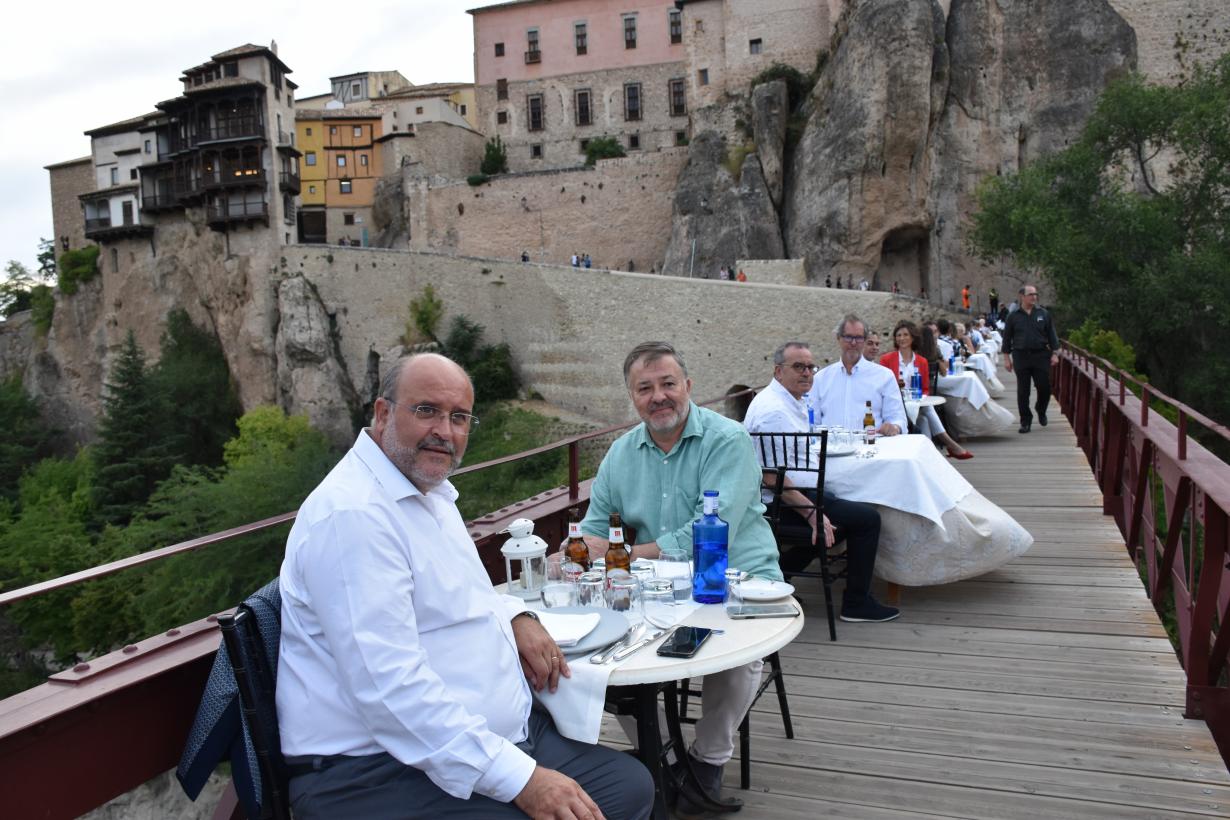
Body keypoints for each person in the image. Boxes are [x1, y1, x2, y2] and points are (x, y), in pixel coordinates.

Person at [277, 353, 653, 819]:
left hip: (477, 739)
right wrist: (522, 780)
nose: (445, 430)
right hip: (376, 768)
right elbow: (389, 689)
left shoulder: (427, 492)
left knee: (630, 786)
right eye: (426, 410)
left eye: (459, 418)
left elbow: (470, 594)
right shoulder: (353, 516)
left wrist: (516, 617)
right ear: (382, 414)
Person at [579, 342, 780, 816]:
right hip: (658, 587)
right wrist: (575, 550)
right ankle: (667, 758)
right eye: (644, 388)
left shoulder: (727, 439)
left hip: (738, 575)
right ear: (632, 398)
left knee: (736, 655)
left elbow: (709, 530)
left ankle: (707, 760)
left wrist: (624, 551)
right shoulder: (621, 453)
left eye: (668, 384)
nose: (658, 397)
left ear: (688, 386)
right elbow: (591, 529)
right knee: (608, 665)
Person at [743, 342, 900, 623]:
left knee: (844, 512)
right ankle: (856, 603)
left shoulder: (789, 401)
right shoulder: (773, 412)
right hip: (779, 504)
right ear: (778, 371)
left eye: (810, 367)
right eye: (798, 367)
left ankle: (777, 580)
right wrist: (813, 514)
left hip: (796, 494)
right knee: (867, 519)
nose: (807, 373)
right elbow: (770, 477)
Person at [882, 322, 971, 459]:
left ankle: (930, 455)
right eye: (898, 335)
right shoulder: (887, 359)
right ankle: (948, 444)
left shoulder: (921, 361)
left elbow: (924, 388)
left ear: (913, 338)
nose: (902, 338)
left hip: (915, 401)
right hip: (895, 402)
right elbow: (882, 386)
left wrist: (919, 397)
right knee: (927, 412)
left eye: (906, 334)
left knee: (924, 417)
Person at [809, 314, 906, 436]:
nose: (853, 343)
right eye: (848, 337)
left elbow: (897, 417)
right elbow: (813, 422)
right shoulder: (821, 378)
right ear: (838, 338)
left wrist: (894, 427)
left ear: (865, 340)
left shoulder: (884, 376)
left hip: (873, 448)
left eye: (859, 338)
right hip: (832, 450)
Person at [1002, 284, 1059, 434]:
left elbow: (1052, 335)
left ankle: (1041, 409)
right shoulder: (1013, 316)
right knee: (1023, 390)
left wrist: (1055, 353)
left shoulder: (1043, 314)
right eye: (1031, 294)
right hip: (1021, 356)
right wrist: (1006, 358)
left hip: (1041, 355)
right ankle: (1025, 421)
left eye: (1035, 294)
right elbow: (1007, 338)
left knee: (1044, 387)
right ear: (1022, 296)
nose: (1034, 297)